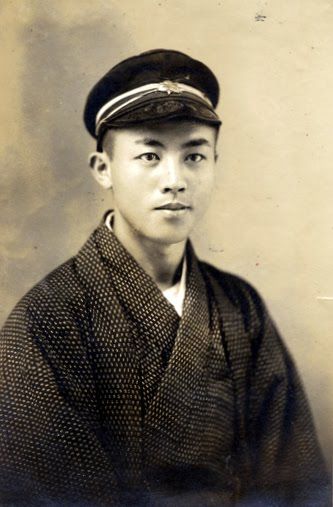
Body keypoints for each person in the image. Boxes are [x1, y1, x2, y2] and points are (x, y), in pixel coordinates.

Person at [0, 49, 329, 507]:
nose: (174, 180)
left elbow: (296, 479)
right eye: (150, 155)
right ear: (103, 169)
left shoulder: (240, 306)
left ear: (215, 163)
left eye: (194, 156)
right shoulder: (45, 322)